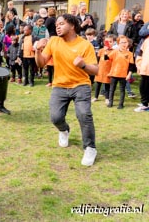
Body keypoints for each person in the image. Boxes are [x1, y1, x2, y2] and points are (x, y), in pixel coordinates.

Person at [35, 14, 98, 166]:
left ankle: (90, 148)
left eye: (61, 23)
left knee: (84, 114)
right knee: (55, 118)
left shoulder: (85, 45)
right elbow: (41, 63)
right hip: (60, 86)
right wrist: (37, 50)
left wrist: (83, 64)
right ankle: (64, 130)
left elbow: (95, 70)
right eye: (57, 24)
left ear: (72, 26)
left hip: (80, 85)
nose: (57, 26)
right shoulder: (54, 41)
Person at [105, 35, 134, 109]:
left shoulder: (130, 54)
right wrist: (106, 51)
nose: (123, 44)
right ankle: (110, 103)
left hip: (123, 75)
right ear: (118, 43)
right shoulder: (115, 52)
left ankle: (121, 104)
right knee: (112, 89)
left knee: (122, 90)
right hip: (114, 74)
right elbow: (106, 58)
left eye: (125, 42)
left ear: (128, 43)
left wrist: (129, 75)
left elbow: (131, 66)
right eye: (121, 42)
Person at [135, 26, 149, 112]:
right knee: (143, 86)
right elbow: (140, 53)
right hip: (145, 67)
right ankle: (144, 103)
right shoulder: (146, 40)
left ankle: (145, 104)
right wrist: (139, 65)